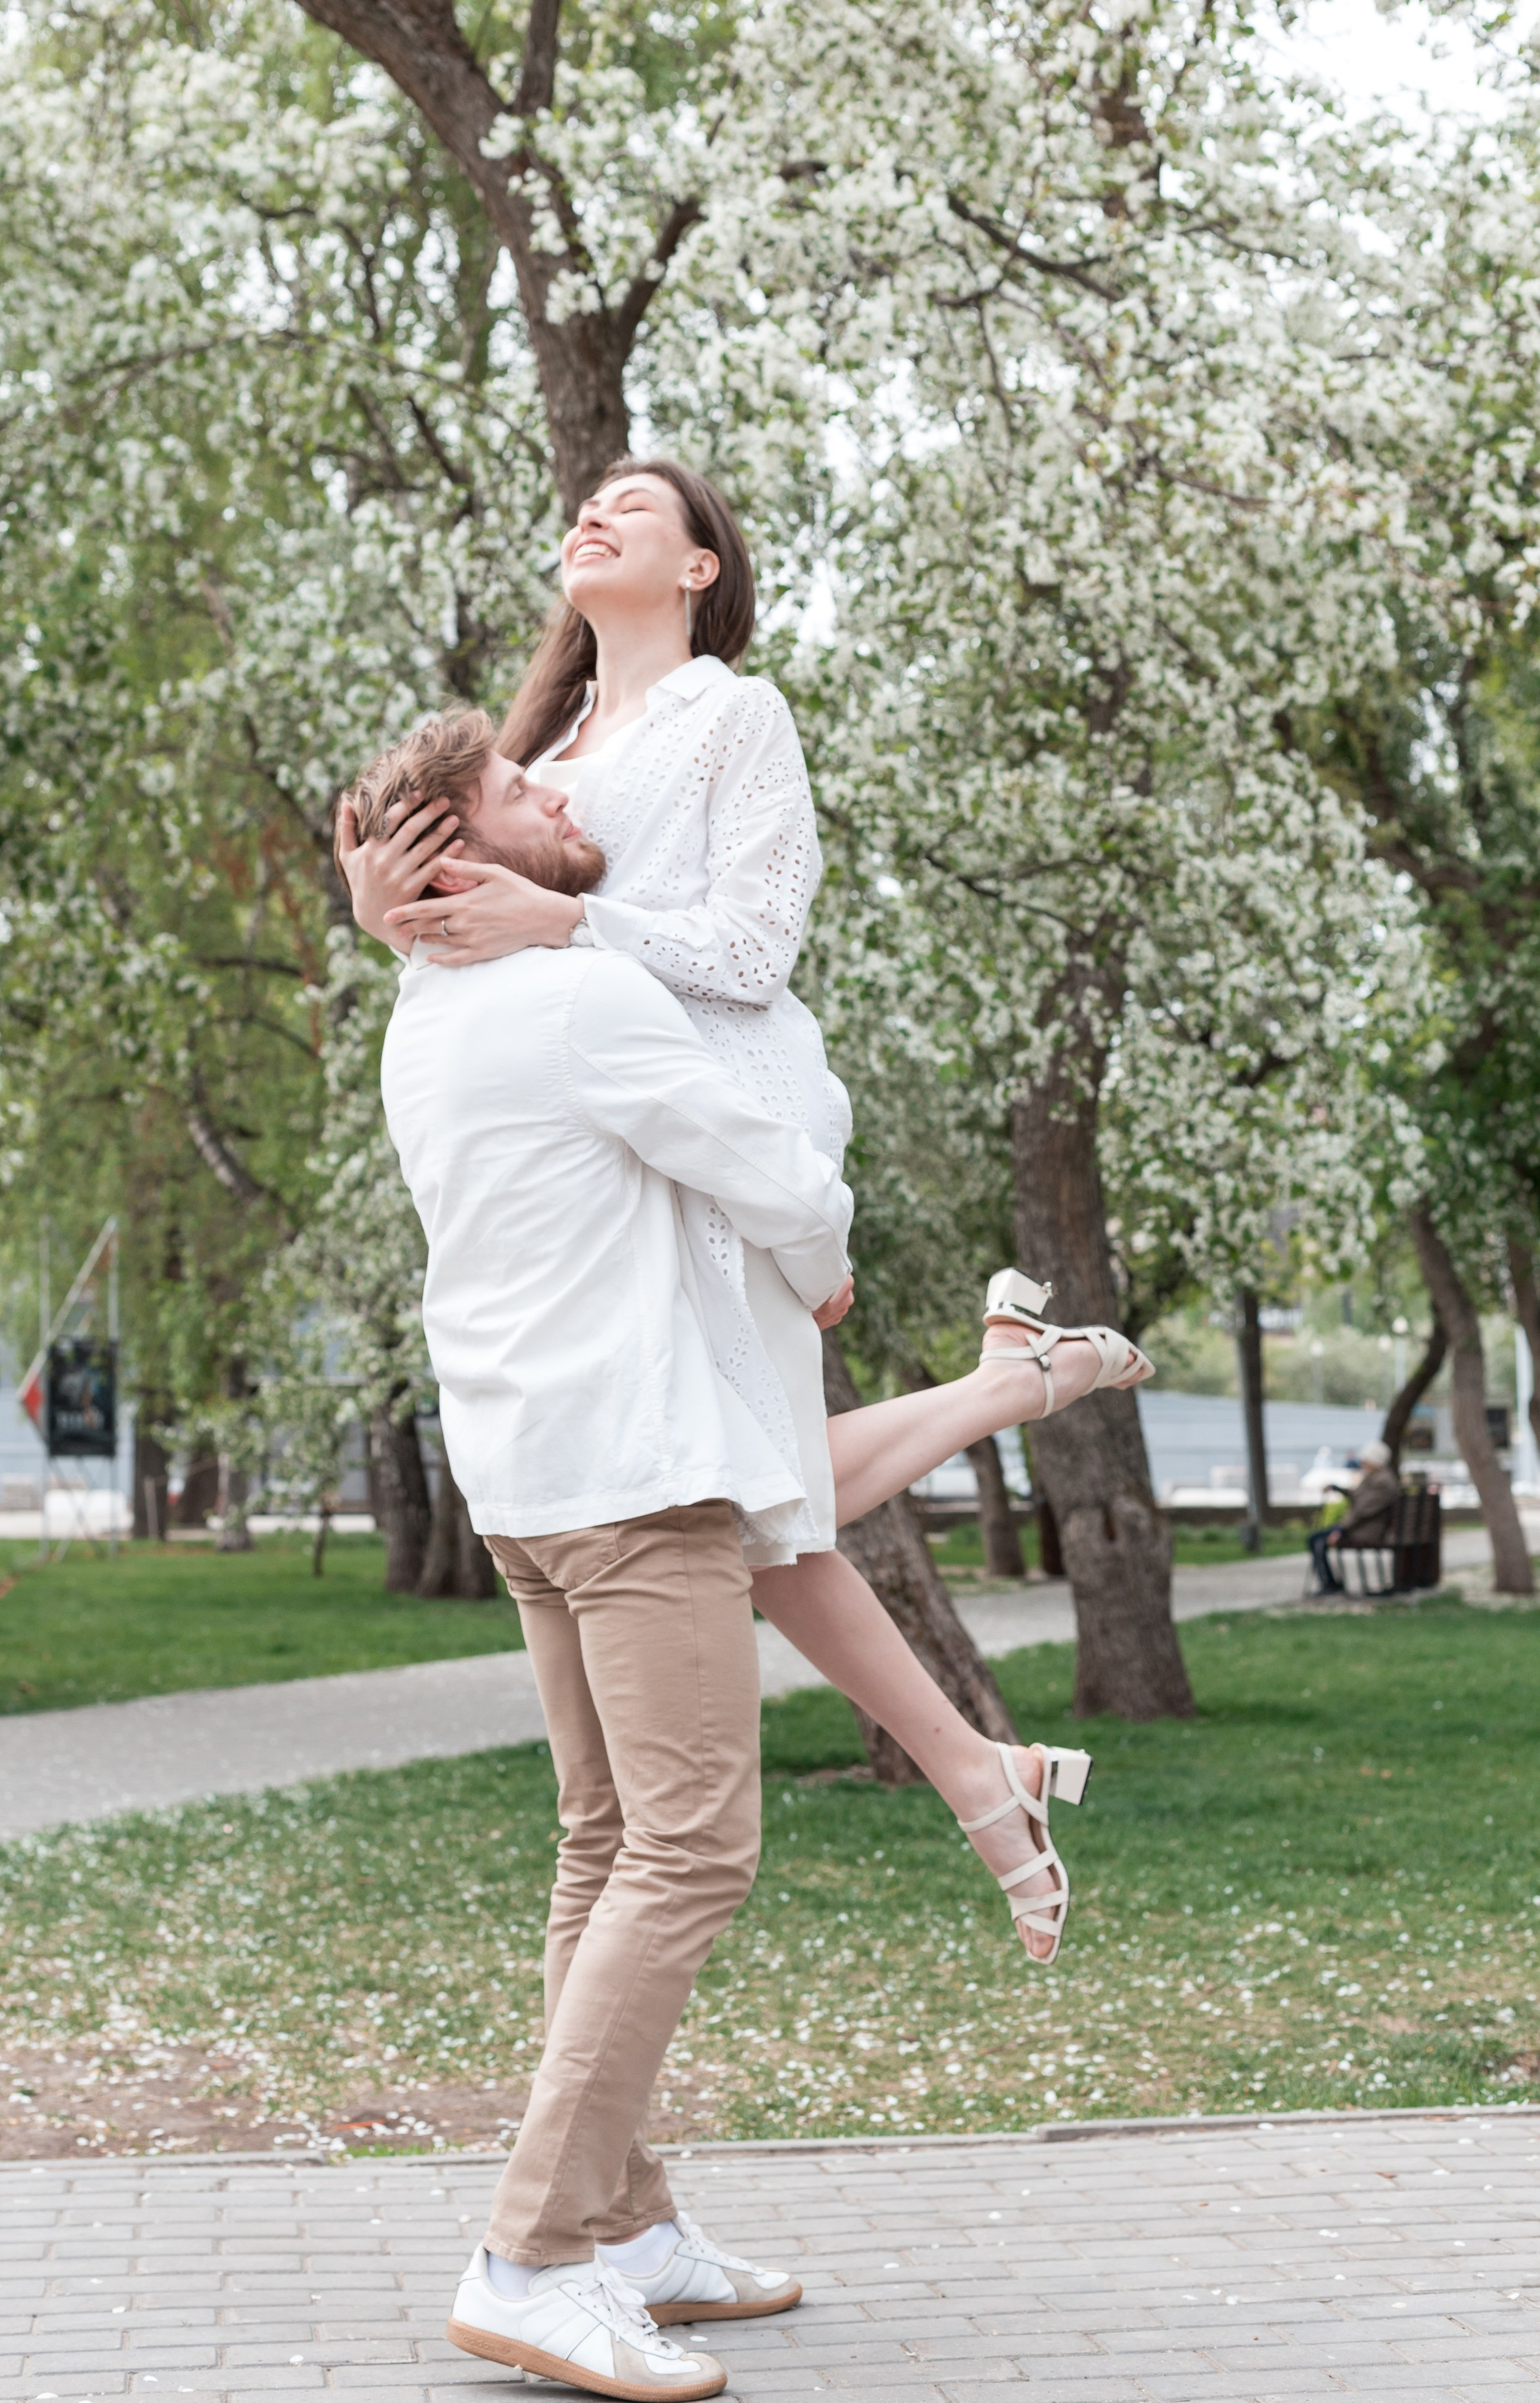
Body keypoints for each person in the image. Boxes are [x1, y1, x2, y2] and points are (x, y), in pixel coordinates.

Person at [364, 709, 1126, 2400]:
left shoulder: (423, 1016)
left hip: (529, 1485)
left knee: (604, 1844)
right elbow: (771, 1170)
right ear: (465, 857)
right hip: (638, 1478)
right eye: (520, 789)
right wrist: (825, 1258)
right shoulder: (578, 994)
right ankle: (532, 2252)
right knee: (695, 1851)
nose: (560, 791)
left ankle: (631, 2232)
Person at [340, 456, 1152, 1962]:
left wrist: (573, 917)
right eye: (582, 501)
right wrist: (388, 909)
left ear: (699, 566)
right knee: (750, 1499)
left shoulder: (733, 715)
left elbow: (758, 945)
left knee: (747, 1504)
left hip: (726, 1130)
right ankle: (982, 1723)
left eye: (633, 506)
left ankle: (979, 1736)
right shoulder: (540, 747)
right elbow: (455, 928)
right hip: (616, 1155)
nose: (593, 514)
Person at [1308, 1438, 1403, 1593]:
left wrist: (1341, 1530)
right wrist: (1337, 1488)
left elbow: (1362, 1510)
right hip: (1362, 1526)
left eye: (1366, 1459)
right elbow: (1359, 1496)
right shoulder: (1376, 1477)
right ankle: (1330, 1583)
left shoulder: (1382, 1481)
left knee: (1317, 1540)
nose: (1362, 1462)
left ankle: (1329, 1584)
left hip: (1367, 1530)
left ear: (1375, 1460)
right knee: (1317, 1538)